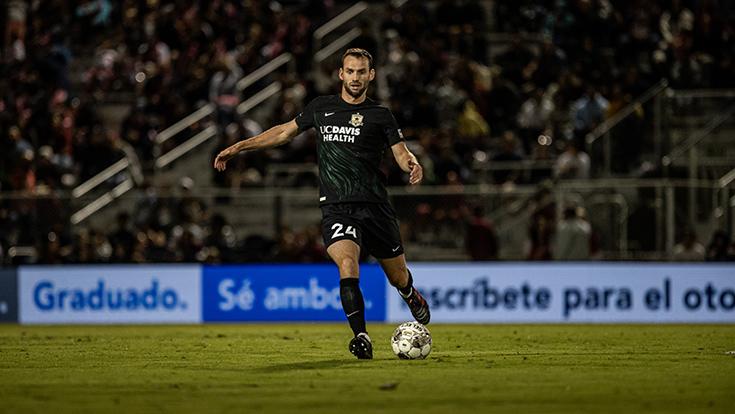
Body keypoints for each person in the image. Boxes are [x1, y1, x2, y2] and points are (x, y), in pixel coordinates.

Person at [213, 48, 430, 360]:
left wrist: (412, 164)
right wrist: (239, 147)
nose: (355, 77)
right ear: (341, 74)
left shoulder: (380, 115)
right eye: (350, 71)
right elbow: (283, 133)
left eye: (361, 72)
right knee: (347, 264)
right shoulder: (322, 107)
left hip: (375, 207)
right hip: (337, 207)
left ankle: (409, 293)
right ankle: (362, 336)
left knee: (397, 278)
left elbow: (401, 152)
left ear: (371, 75)